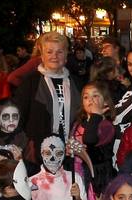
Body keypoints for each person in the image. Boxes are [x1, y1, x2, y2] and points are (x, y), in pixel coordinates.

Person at [11, 32, 85, 164]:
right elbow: (18, 117)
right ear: (42, 56)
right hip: (39, 155)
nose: (54, 56)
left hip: (70, 154)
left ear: (66, 55)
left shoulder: (77, 83)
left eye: (59, 52)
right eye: (49, 52)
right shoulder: (31, 82)